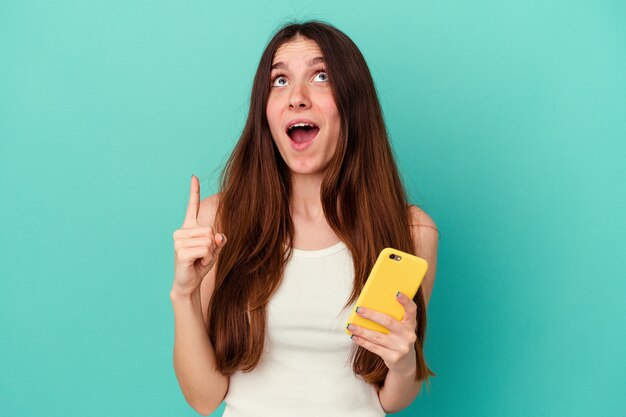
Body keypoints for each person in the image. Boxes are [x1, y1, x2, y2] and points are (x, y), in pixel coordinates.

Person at [170, 20, 440, 417]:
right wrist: (184, 296)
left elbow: (389, 399)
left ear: (353, 102)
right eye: (279, 81)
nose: (296, 97)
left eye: (321, 76)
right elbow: (204, 398)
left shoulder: (412, 232)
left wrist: (403, 363)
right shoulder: (219, 220)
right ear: (265, 112)